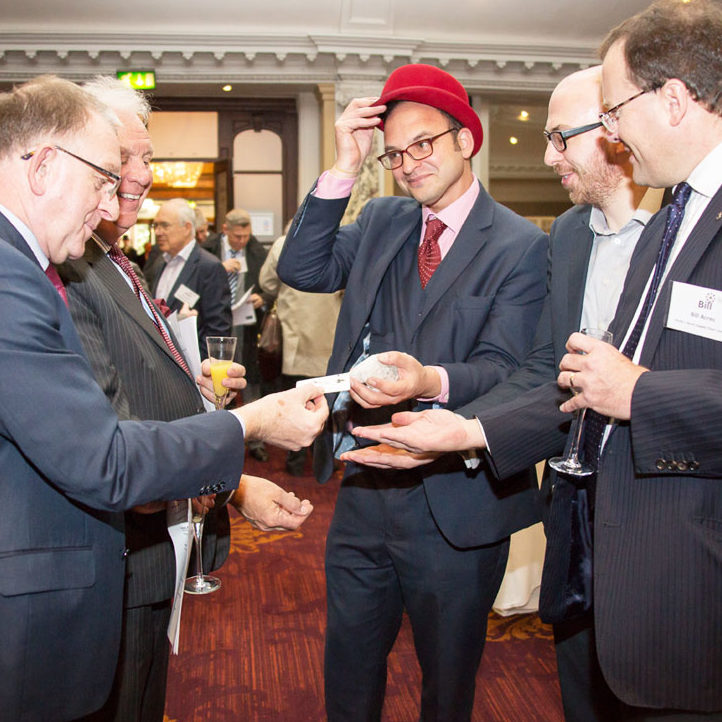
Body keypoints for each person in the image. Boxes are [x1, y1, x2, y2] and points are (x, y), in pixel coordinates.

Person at [351, 1, 722, 717]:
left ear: (673, 99)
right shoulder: (651, 227)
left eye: (613, 112)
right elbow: (565, 378)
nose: (610, 133)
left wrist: (638, 394)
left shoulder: (668, 218)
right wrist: (465, 431)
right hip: (595, 537)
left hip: (689, 562)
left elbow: (623, 388)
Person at [0, 75, 327, 722]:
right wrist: (251, 423)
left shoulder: (39, 264)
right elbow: (104, 455)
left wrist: (231, 480)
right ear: (42, 167)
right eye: (105, 176)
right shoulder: (20, 275)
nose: (114, 198)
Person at [277, 63, 548, 721]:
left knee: (447, 684)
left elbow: (508, 370)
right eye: (394, 153)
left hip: (457, 499)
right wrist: (345, 164)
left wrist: (428, 380)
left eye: (422, 143)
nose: (407, 164)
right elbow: (301, 267)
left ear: (467, 139)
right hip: (367, 485)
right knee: (348, 666)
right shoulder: (384, 219)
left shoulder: (521, 245)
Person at [259, 228, 343, 475]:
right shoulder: (337, 242)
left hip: (295, 336)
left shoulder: (283, 244)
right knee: (325, 402)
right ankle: (323, 462)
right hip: (327, 335)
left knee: (296, 400)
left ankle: (295, 462)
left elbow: (266, 283)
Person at [203, 208, 273, 460]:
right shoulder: (208, 249)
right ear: (225, 230)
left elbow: (270, 285)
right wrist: (219, 269)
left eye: (246, 236)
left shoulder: (257, 251)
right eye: (236, 237)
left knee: (249, 376)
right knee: (219, 376)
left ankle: (255, 440)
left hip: (246, 324)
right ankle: (223, 435)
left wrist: (262, 298)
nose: (242, 241)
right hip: (214, 323)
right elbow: (196, 281)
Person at [149, 198, 232, 359]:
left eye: (164, 225)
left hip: (194, 366)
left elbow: (218, 331)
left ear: (187, 228)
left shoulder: (209, 267)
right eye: (156, 225)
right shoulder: (160, 262)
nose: (158, 232)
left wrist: (202, 368)